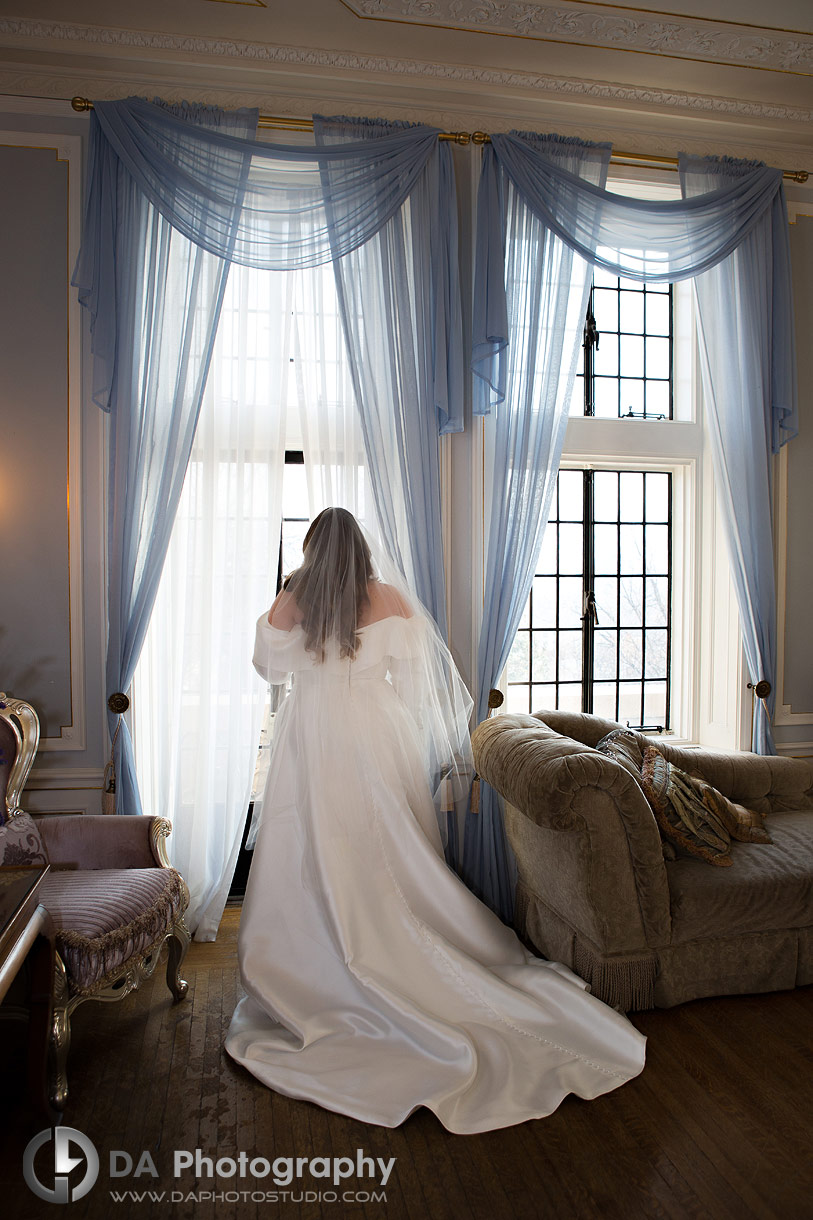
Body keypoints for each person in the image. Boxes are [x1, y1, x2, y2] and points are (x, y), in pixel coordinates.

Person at [225, 507, 646, 1133]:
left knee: (317, 849)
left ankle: (326, 958)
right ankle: (380, 942)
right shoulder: (388, 598)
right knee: (385, 847)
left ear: (315, 552)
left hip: (315, 739)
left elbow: (266, 660)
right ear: (362, 551)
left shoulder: (300, 601)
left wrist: (296, 591)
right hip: (374, 734)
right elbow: (418, 677)